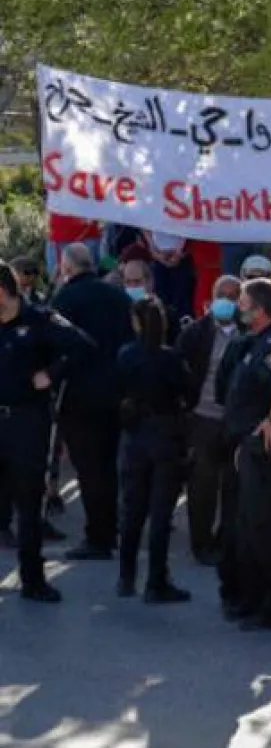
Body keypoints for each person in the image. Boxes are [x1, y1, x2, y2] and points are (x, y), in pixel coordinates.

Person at [0, 261, 93, 602]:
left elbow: (82, 346)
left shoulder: (39, 319)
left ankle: (32, 577)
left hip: (26, 419)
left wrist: (52, 374)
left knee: (28, 499)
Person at [217, 278, 271, 629]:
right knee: (247, 526)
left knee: (267, 528)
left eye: (243, 303)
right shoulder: (251, 343)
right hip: (246, 447)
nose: (238, 308)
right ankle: (250, 598)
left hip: (265, 451)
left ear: (261, 310)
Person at [50, 242, 134, 561]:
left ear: (67, 267)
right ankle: (109, 528)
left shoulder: (66, 298)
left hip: (80, 395)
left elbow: (56, 346)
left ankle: (98, 536)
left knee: (89, 468)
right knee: (108, 466)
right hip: (116, 393)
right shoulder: (118, 296)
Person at [115, 296, 196, 602]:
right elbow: (189, 392)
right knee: (161, 512)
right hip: (165, 433)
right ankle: (156, 580)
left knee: (132, 508)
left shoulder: (126, 355)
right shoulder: (170, 358)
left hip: (135, 432)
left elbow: (117, 388)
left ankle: (126, 576)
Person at [178, 275, 243, 564]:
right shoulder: (195, 332)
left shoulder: (247, 333)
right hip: (202, 418)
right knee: (202, 485)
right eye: (222, 295)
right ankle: (200, 544)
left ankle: (226, 540)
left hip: (235, 420)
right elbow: (180, 371)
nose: (226, 301)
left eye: (233, 296)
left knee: (234, 485)